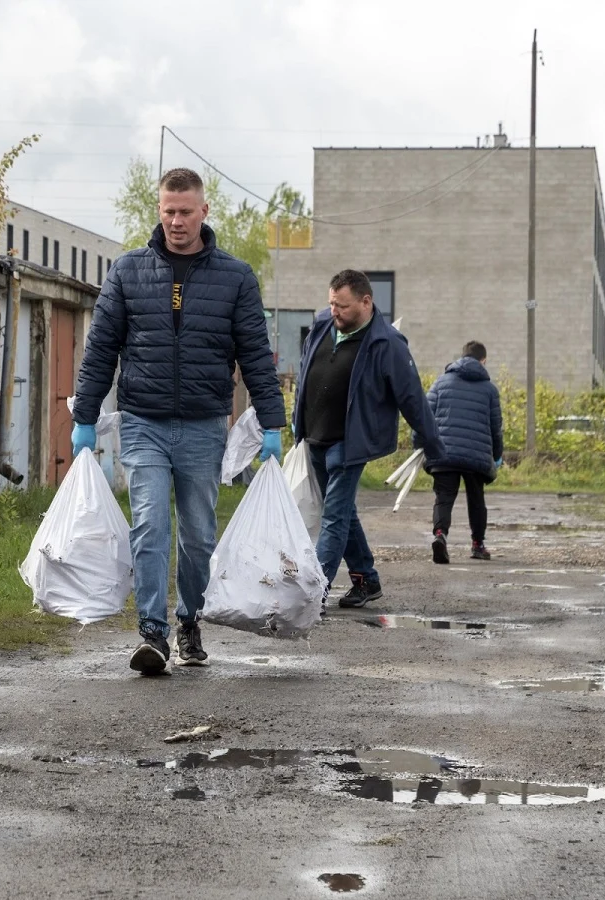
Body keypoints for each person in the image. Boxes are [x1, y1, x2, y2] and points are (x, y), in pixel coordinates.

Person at [71, 167, 285, 675]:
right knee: (150, 525)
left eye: (185, 211)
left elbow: (256, 353)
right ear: (159, 211)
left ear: (204, 212)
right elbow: (101, 348)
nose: (175, 220)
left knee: (199, 535)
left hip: (203, 425)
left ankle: (190, 617)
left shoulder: (234, 277)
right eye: (167, 210)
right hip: (142, 421)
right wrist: (85, 414)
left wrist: (272, 424)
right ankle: (152, 632)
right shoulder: (128, 272)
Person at [292, 269, 445, 608]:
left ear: (366, 301)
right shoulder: (322, 325)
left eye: (342, 306)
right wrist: (295, 423)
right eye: (331, 304)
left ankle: (313, 593)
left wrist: (430, 441)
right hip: (314, 435)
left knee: (334, 517)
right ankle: (365, 579)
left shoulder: (386, 342)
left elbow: (411, 397)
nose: (335, 312)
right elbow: (304, 374)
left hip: (350, 442)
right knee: (342, 512)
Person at [424, 340, 504, 564]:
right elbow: (495, 426)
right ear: (483, 360)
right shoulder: (490, 389)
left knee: (444, 498)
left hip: (443, 451)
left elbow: (425, 416)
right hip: (476, 455)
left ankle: (440, 535)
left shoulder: (441, 382)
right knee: (476, 500)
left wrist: (420, 445)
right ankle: (478, 545)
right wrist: (496, 455)